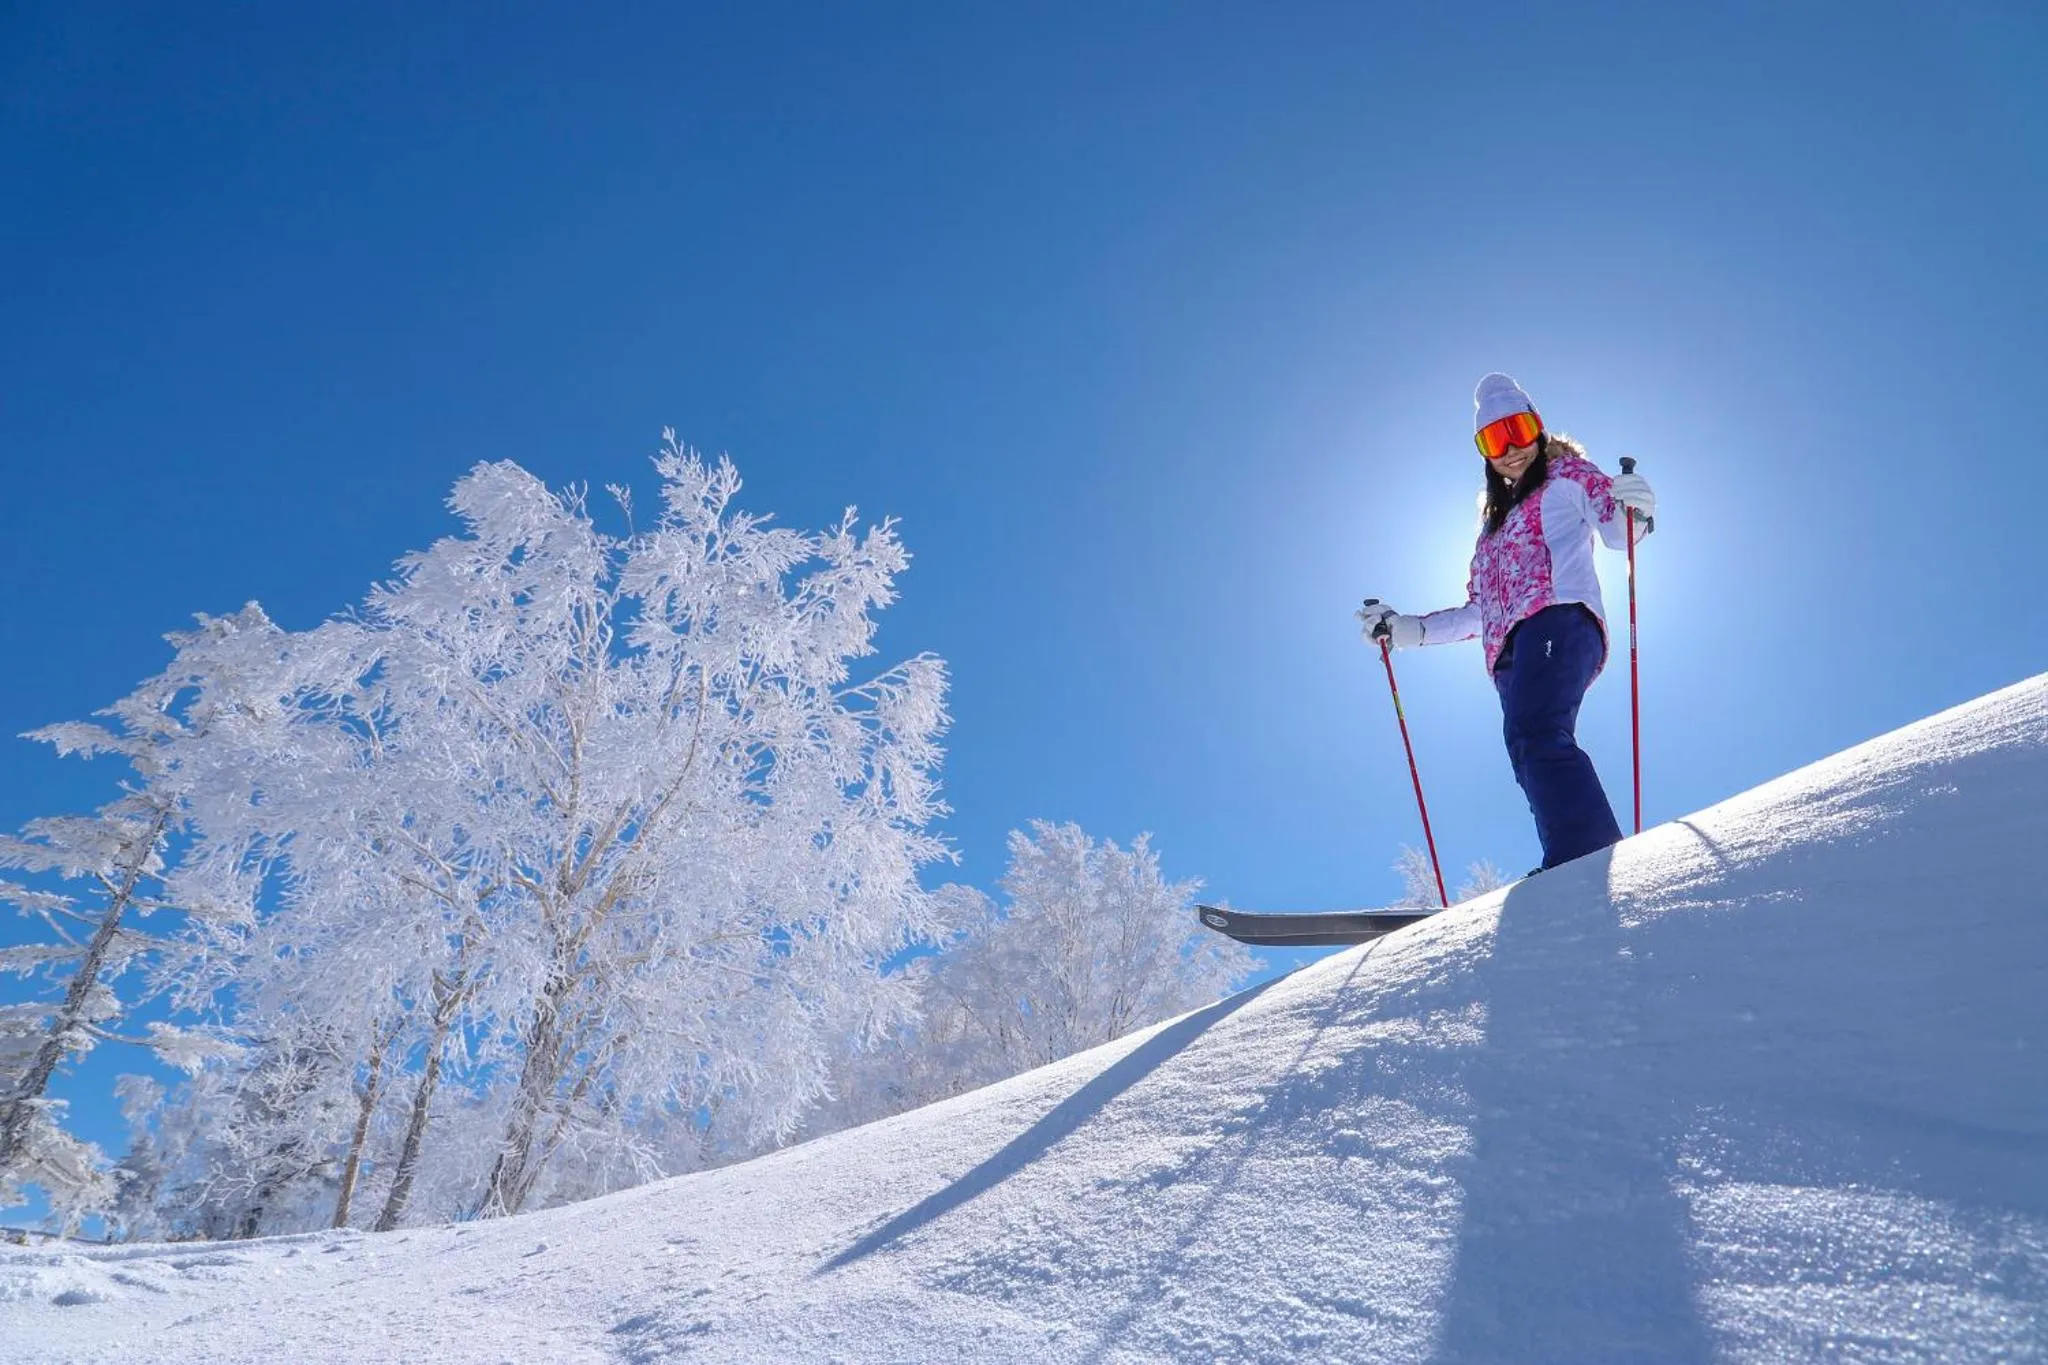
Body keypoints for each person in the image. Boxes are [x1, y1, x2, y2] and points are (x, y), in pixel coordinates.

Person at [1358, 373, 1656, 872]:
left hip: (1558, 621)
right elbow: (1478, 611)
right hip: (1510, 654)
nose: (1511, 448)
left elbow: (1614, 526)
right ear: (1484, 453)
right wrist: (1406, 629)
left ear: (1537, 429)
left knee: (1538, 730)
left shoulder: (1568, 477)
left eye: (1518, 430)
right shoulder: (1492, 531)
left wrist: (1635, 511)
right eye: (1495, 439)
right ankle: (1574, 854)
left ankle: (1584, 850)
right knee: (1526, 744)